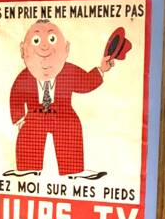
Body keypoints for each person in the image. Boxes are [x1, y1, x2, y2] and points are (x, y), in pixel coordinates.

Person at [8, 20, 113, 177]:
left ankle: (74, 170)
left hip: (64, 114)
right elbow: (15, 95)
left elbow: (85, 82)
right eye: (36, 41)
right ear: (23, 51)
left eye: (52, 40)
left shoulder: (68, 72)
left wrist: (101, 69)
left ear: (66, 49)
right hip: (34, 116)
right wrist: (19, 119)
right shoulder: (24, 77)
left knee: (71, 130)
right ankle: (28, 168)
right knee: (28, 135)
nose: (44, 47)